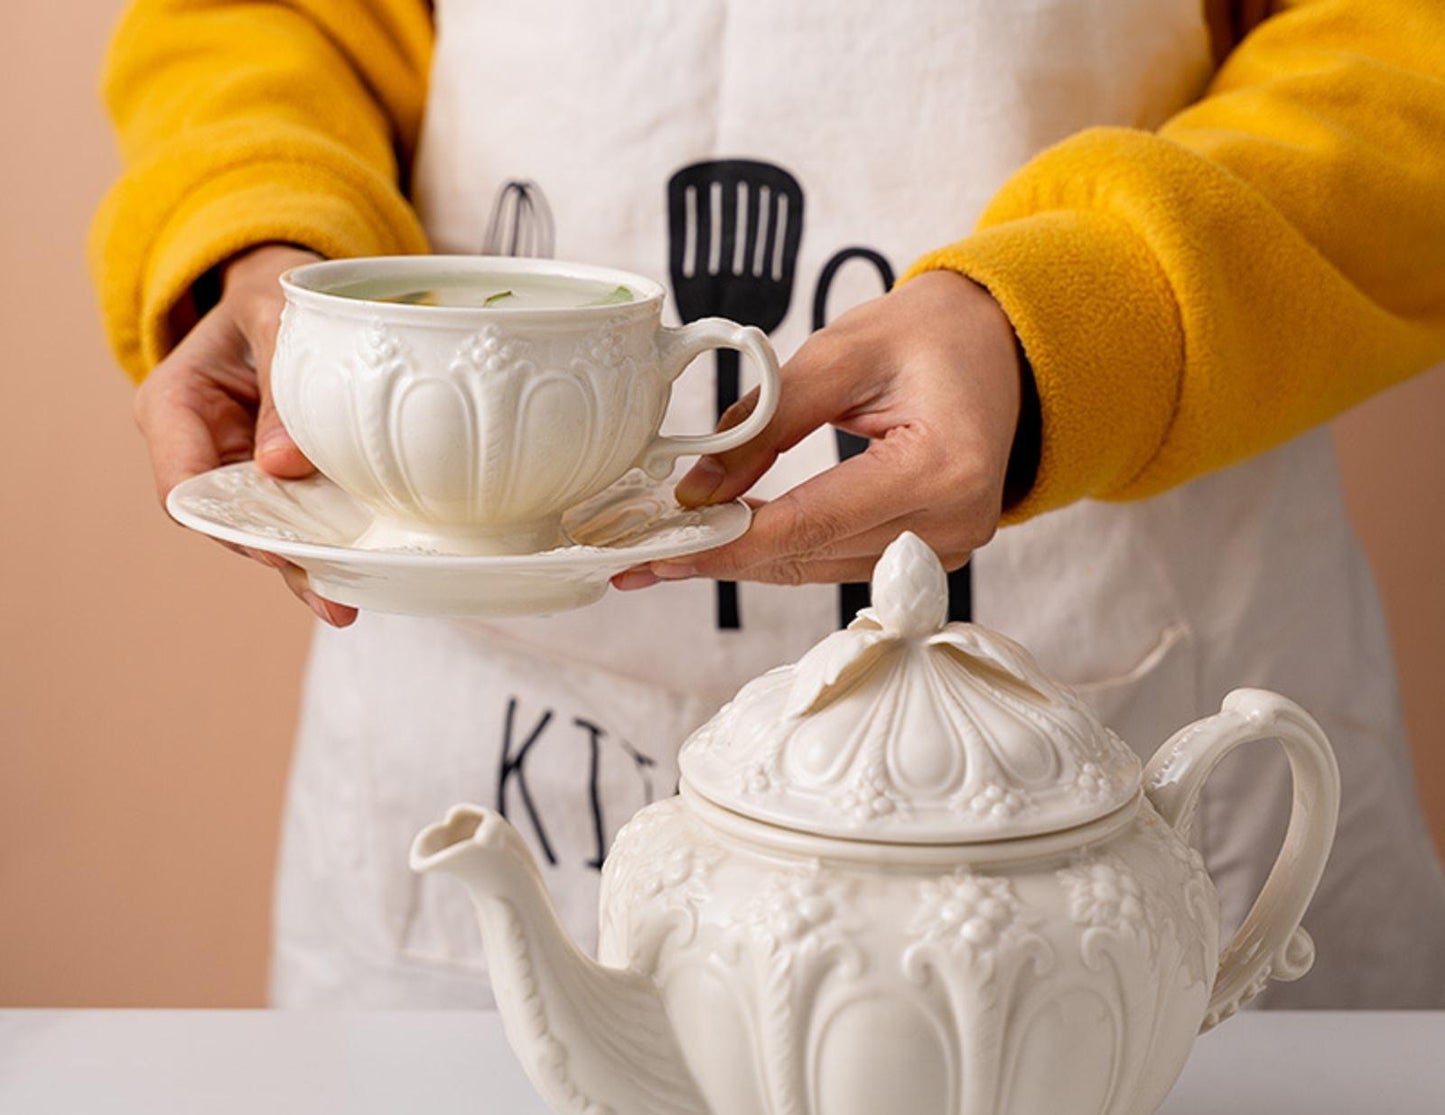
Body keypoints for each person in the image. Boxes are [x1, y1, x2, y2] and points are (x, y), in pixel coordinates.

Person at [93, 0, 1445, 1009]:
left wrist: (1077, 329)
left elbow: (1400, 59)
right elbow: (257, 25)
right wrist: (260, 241)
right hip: (481, 765)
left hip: (1119, 746)